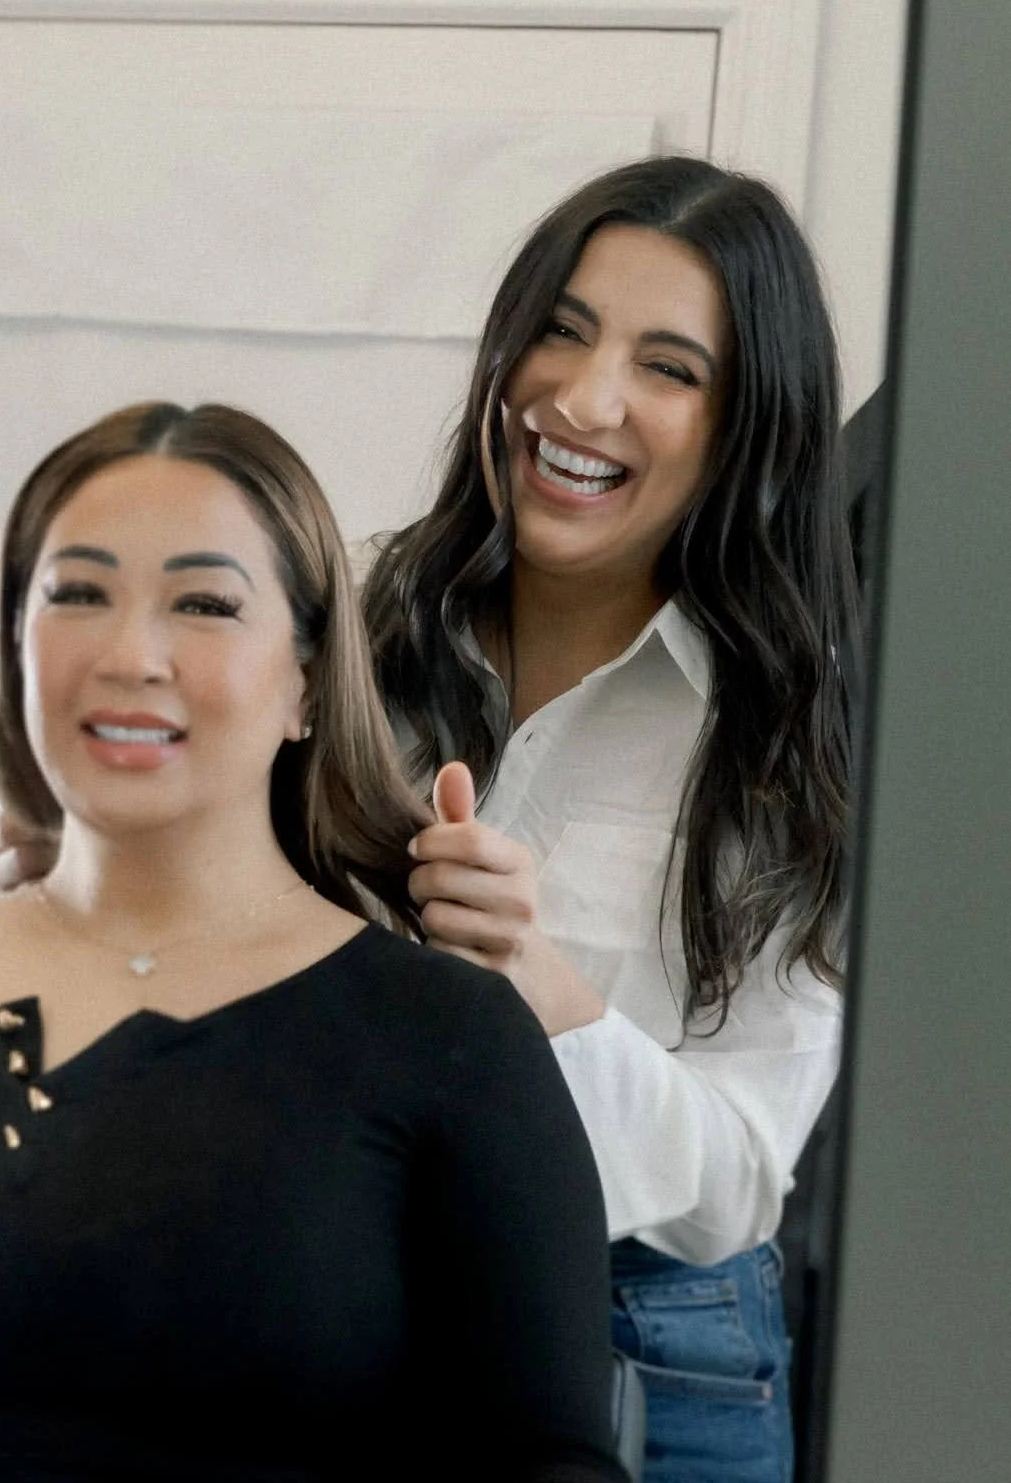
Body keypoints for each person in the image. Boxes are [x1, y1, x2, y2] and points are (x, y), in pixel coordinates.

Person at [0, 401, 628, 1483]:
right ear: (13, 642)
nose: (132, 652)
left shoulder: (450, 1043)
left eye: (205, 602)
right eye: (77, 591)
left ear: (307, 682)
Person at [363, 156, 858, 1483]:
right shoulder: (353, 639)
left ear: (749, 425)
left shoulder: (785, 743)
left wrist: (541, 992)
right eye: (562, 330)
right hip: (349, 1308)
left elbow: (737, 1187)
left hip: (652, 1348)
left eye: (669, 367)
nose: (581, 399)